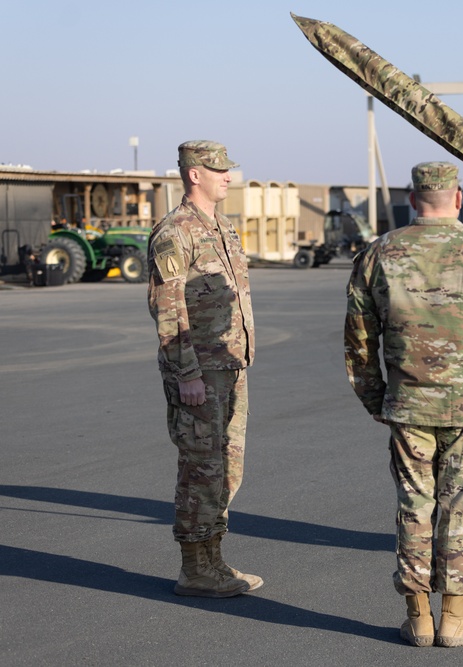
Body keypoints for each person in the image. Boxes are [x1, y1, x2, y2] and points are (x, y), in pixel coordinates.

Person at [344, 161, 463, 648]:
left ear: (412, 198)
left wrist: (373, 396)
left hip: (408, 405)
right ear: (457, 198)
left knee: (415, 507)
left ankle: (418, 618)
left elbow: (359, 339)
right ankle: (455, 616)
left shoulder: (378, 253)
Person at [147, 140, 261, 598]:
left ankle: (215, 561)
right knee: (201, 469)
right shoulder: (175, 231)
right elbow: (169, 308)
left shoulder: (222, 226)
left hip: (229, 366)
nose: (228, 176)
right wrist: (187, 373)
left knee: (227, 468)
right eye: (219, 170)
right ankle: (194, 568)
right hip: (200, 372)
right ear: (195, 174)